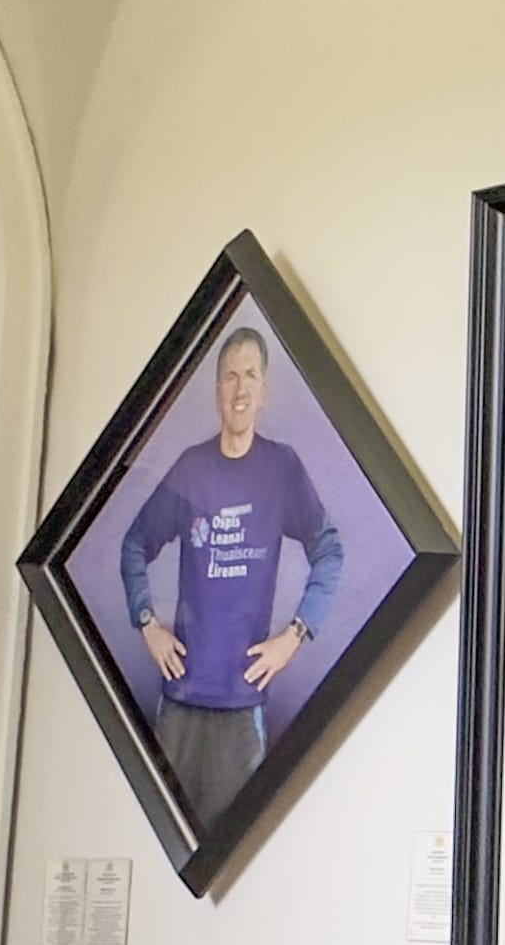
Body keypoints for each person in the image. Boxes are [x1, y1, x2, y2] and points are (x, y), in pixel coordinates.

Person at [118, 324, 343, 824]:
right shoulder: (190, 469)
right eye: (229, 377)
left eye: (250, 377)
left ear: (263, 392)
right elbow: (134, 544)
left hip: (243, 708)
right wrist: (146, 620)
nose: (240, 389)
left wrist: (296, 633)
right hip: (180, 703)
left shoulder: (281, 469)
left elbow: (329, 551)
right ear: (216, 391)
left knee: (235, 852)